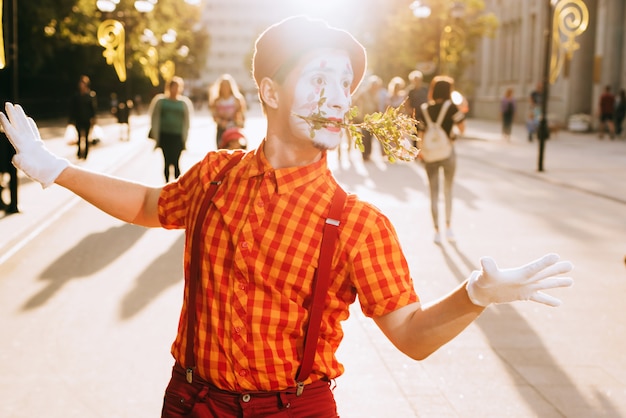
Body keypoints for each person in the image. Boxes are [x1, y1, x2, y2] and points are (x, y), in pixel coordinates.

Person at [0, 16, 574, 417]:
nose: (336, 97)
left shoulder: (358, 224)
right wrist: (55, 169)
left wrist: (474, 294)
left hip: (294, 411)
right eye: (318, 79)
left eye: (344, 84)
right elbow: (151, 205)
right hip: (190, 404)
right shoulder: (215, 175)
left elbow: (412, 337)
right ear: (271, 92)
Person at [419, 75, 466, 245]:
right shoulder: (452, 107)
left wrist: (420, 151)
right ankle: (448, 226)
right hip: (447, 154)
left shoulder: (425, 109)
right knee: (448, 191)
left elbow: (420, 134)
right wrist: (452, 137)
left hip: (430, 155)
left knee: (433, 193)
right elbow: (462, 127)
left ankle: (436, 230)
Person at [148, 76, 194, 182]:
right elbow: (154, 117)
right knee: (167, 161)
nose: (175, 89)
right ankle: (167, 183)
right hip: (165, 135)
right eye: (173, 87)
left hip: (177, 136)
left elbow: (187, 121)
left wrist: (185, 136)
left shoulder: (183, 103)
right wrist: (155, 134)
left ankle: (177, 185)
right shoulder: (161, 101)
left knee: (176, 161)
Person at [208, 73, 247, 149]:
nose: (225, 88)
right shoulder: (216, 101)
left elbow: (241, 115)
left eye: (226, 85)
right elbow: (214, 116)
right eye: (223, 86)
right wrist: (222, 122)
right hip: (221, 130)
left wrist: (237, 123)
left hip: (234, 130)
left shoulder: (237, 100)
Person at [351, 75, 384, 161]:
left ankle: (368, 154)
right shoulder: (364, 92)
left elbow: (377, 105)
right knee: (364, 136)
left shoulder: (376, 94)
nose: (375, 87)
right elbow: (355, 101)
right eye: (373, 85)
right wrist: (355, 113)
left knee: (370, 137)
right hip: (364, 118)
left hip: (373, 119)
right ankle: (364, 155)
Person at [68, 75, 97, 159]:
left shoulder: (90, 95)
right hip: (78, 118)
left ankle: (85, 154)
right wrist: (71, 119)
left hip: (87, 119)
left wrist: (93, 118)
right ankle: (79, 152)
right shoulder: (76, 96)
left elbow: (93, 108)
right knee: (80, 136)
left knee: (87, 137)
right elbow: (73, 108)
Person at [0, 129, 18, 214]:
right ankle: (13, 204)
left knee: (11, 172)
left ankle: (13, 204)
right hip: (9, 136)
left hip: (8, 137)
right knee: (12, 172)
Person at [406, 70, 429, 137]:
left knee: (425, 131)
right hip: (415, 114)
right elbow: (407, 103)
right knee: (415, 132)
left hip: (425, 113)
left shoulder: (425, 89)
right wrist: (411, 112)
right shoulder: (410, 91)